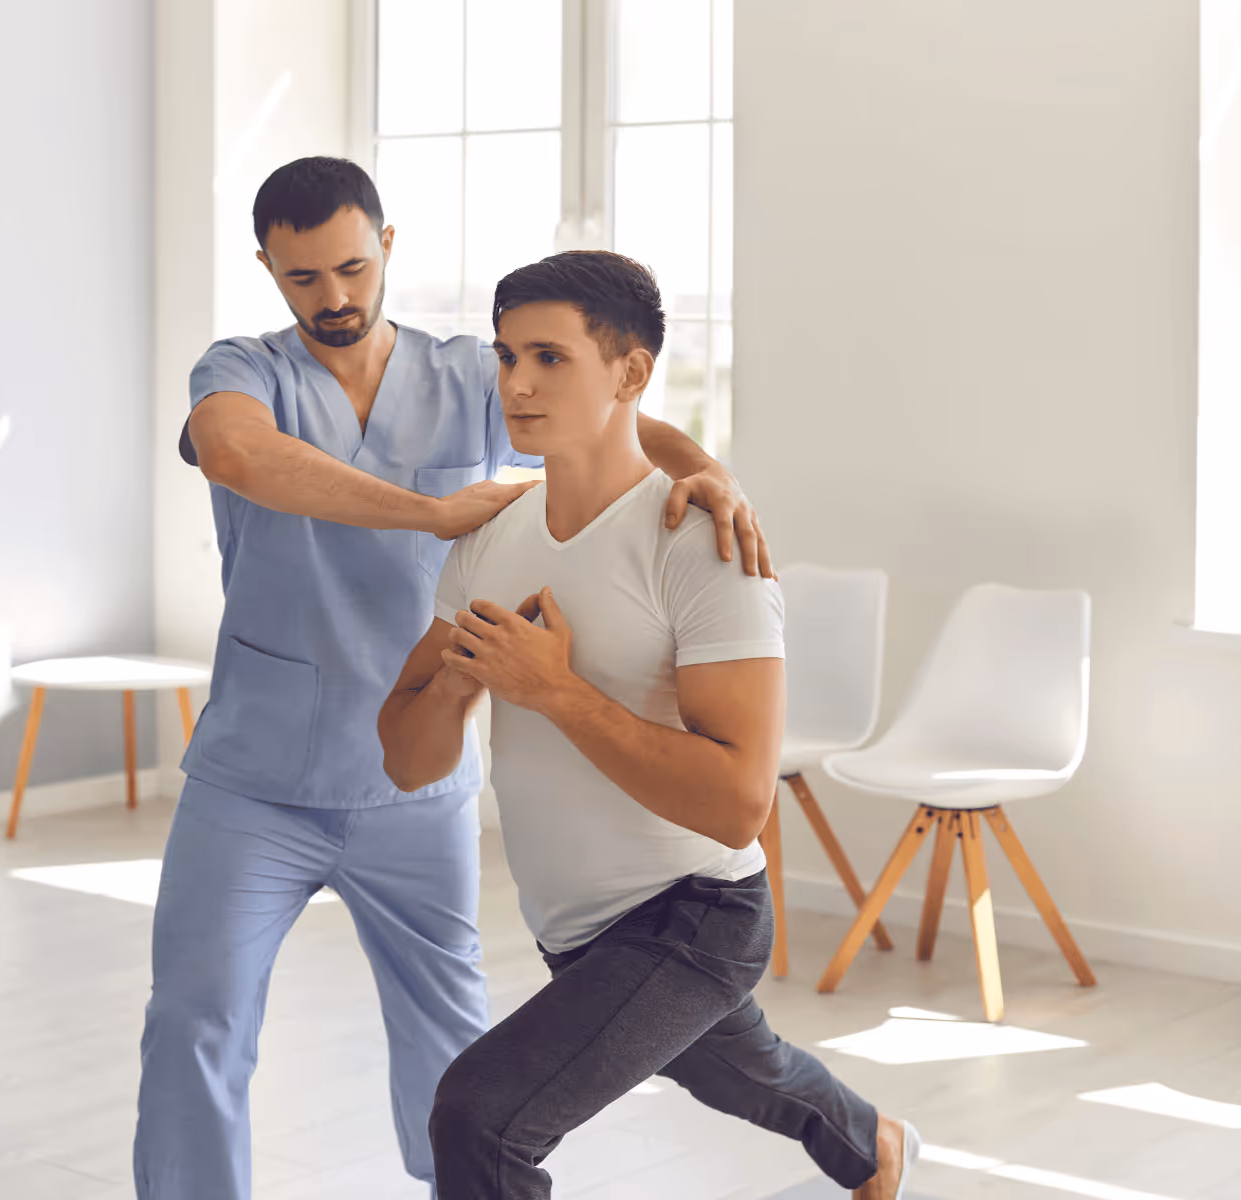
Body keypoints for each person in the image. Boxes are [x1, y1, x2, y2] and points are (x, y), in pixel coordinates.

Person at [134, 157, 774, 1200]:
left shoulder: (470, 373)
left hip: (414, 786)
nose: (333, 298)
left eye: (350, 267)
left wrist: (712, 472)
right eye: (302, 279)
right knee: (195, 1021)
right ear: (267, 269)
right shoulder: (241, 369)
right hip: (250, 784)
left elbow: (617, 417)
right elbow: (240, 457)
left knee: (449, 1043)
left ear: (388, 245)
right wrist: (429, 511)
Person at [378, 251, 920, 1200]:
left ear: (630, 373)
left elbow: (739, 806)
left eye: (549, 357)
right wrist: (465, 686)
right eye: (506, 357)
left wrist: (556, 694)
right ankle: (870, 1144)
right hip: (571, 928)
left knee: (481, 1116)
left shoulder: (705, 546)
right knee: (748, 1071)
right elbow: (407, 758)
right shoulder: (486, 542)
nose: (516, 383)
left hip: (695, 913)